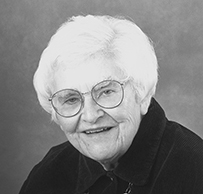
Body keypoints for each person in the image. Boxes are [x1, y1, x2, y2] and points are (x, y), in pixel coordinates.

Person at [19, 15, 203, 194]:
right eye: (71, 99)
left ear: (143, 94)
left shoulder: (194, 168)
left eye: (106, 92)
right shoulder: (49, 173)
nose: (91, 116)